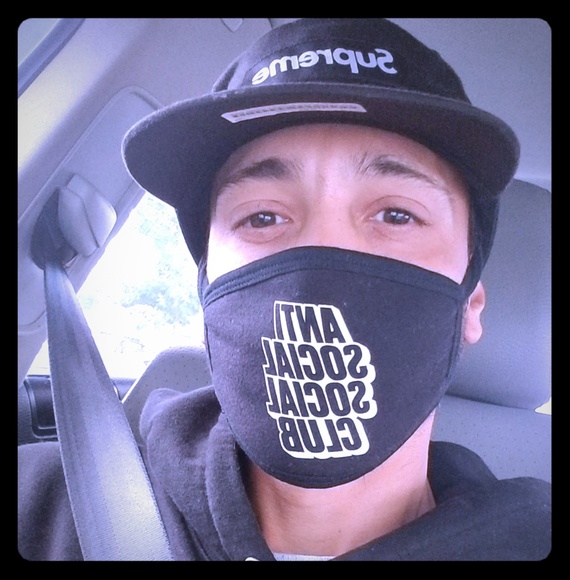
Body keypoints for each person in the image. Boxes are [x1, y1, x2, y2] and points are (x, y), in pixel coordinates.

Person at [18, 18, 551, 561]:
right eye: (262, 217)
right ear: (207, 291)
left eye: (396, 214)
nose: (316, 265)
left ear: (470, 305)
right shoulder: (46, 506)